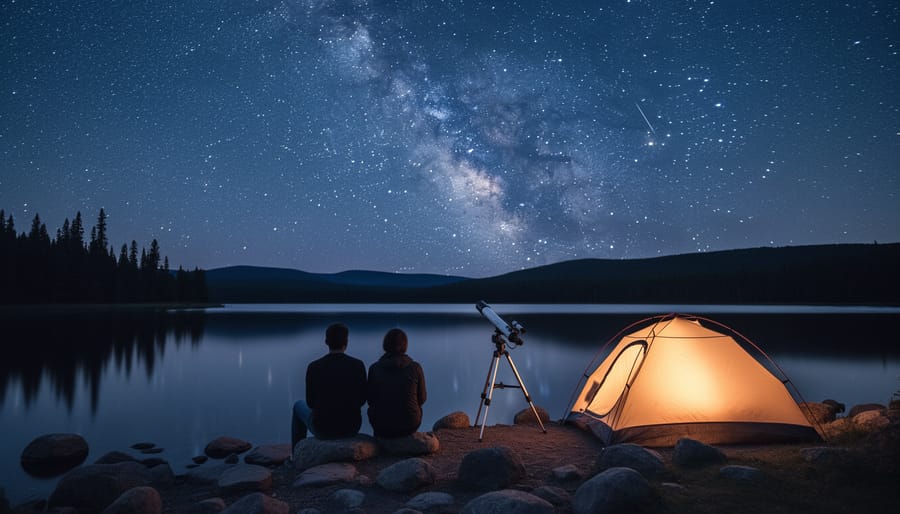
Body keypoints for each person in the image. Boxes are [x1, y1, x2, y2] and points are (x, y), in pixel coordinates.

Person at [291, 323, 367, 447]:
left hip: (323, 429)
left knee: (298, 406)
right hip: (351, 428)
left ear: (326, 341)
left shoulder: (314, 367)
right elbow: (362, 400)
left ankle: (296, 454)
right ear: (346, 342)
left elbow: (310, 403)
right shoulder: (358, 365)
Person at [366, 328, 427, 438]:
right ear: (404, 345)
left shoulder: (374, 368)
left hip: (381, 425)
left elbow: (370, 400)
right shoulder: (415, 367)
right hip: (410, 424)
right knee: (418, 408)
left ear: (385, 345)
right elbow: (422, 399)